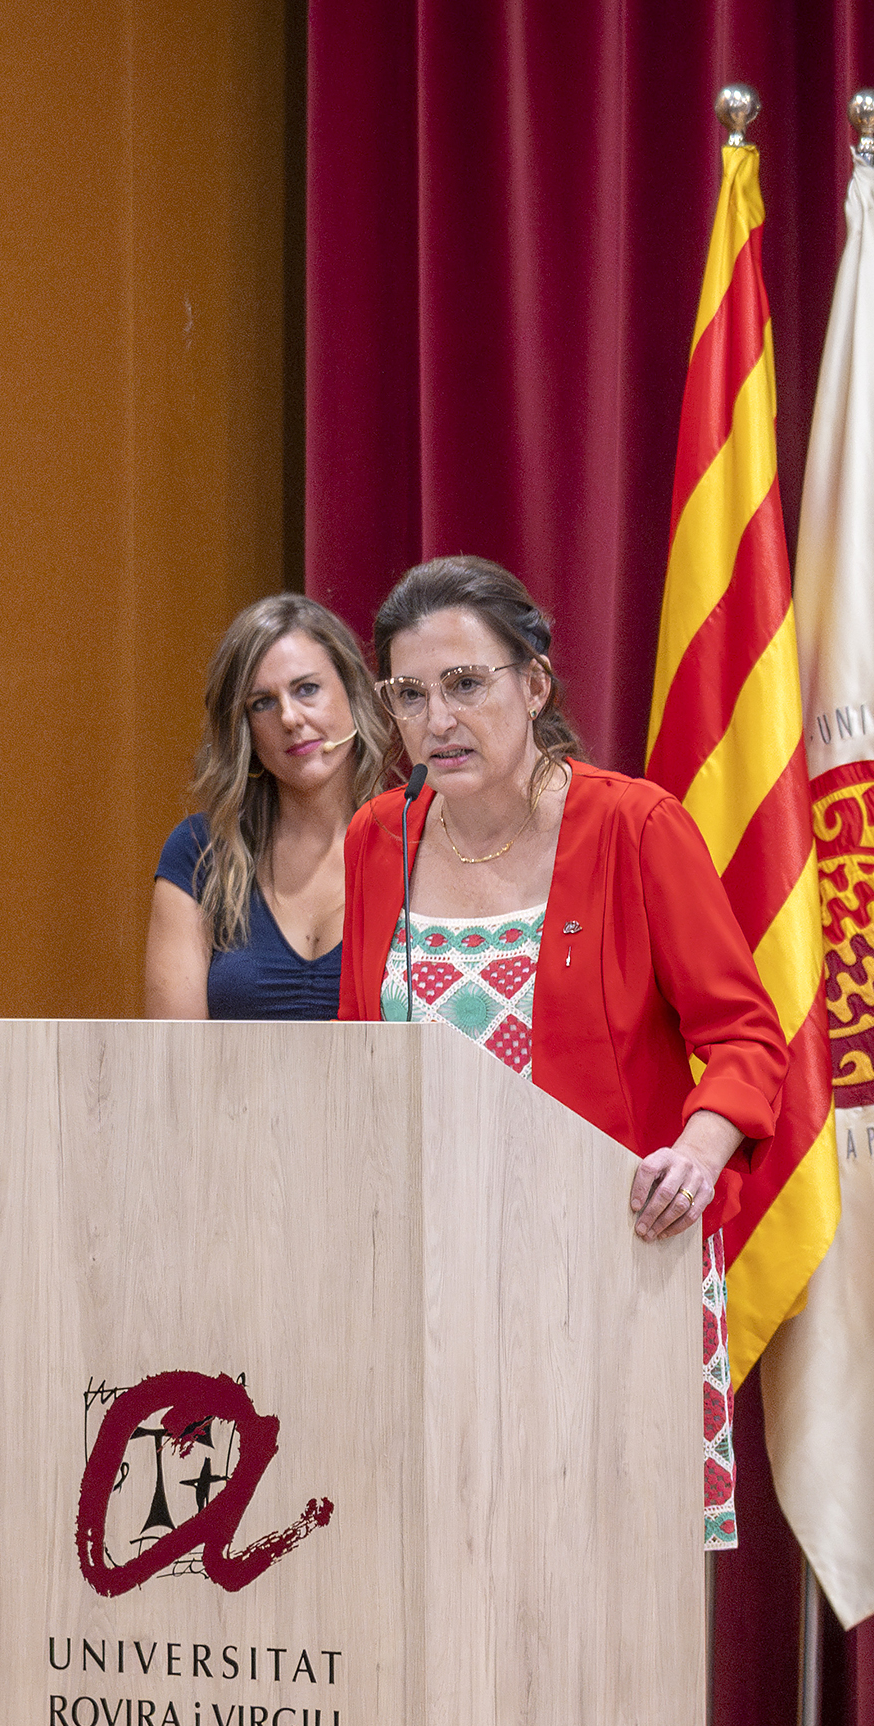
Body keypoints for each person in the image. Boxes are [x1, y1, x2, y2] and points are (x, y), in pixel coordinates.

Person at [337, 556, 788, 1545]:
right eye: (409, 694)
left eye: (466, 683)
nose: (438, 719)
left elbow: (745, 1036)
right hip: (428, 1287)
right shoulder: (377, 838)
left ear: (534, 683)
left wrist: (697, 1155)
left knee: (605, 1592)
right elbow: (355, 1060)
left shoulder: (636, 827)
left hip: (608, 1268)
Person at [145, 594, 387, 1019]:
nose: (289, 718)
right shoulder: (199, 851)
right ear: (246, 730)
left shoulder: (414, 841)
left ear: (353, 692)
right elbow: (172, 1053)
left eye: (307, 689)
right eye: (263, 703)